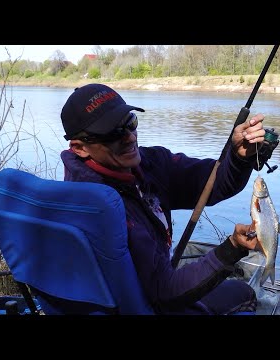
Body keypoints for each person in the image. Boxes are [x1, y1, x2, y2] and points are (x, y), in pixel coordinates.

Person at [59, 83, 266, 315]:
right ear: (80, 148)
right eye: (112, 134)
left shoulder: (149, 164)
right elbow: (165, 293)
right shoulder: (100, 207)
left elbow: (213, 184)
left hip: (154, 289)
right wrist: (232, 248)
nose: (129, 138)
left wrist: (238, 158)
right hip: (147, 306)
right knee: (244, 294)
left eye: (130, 123)